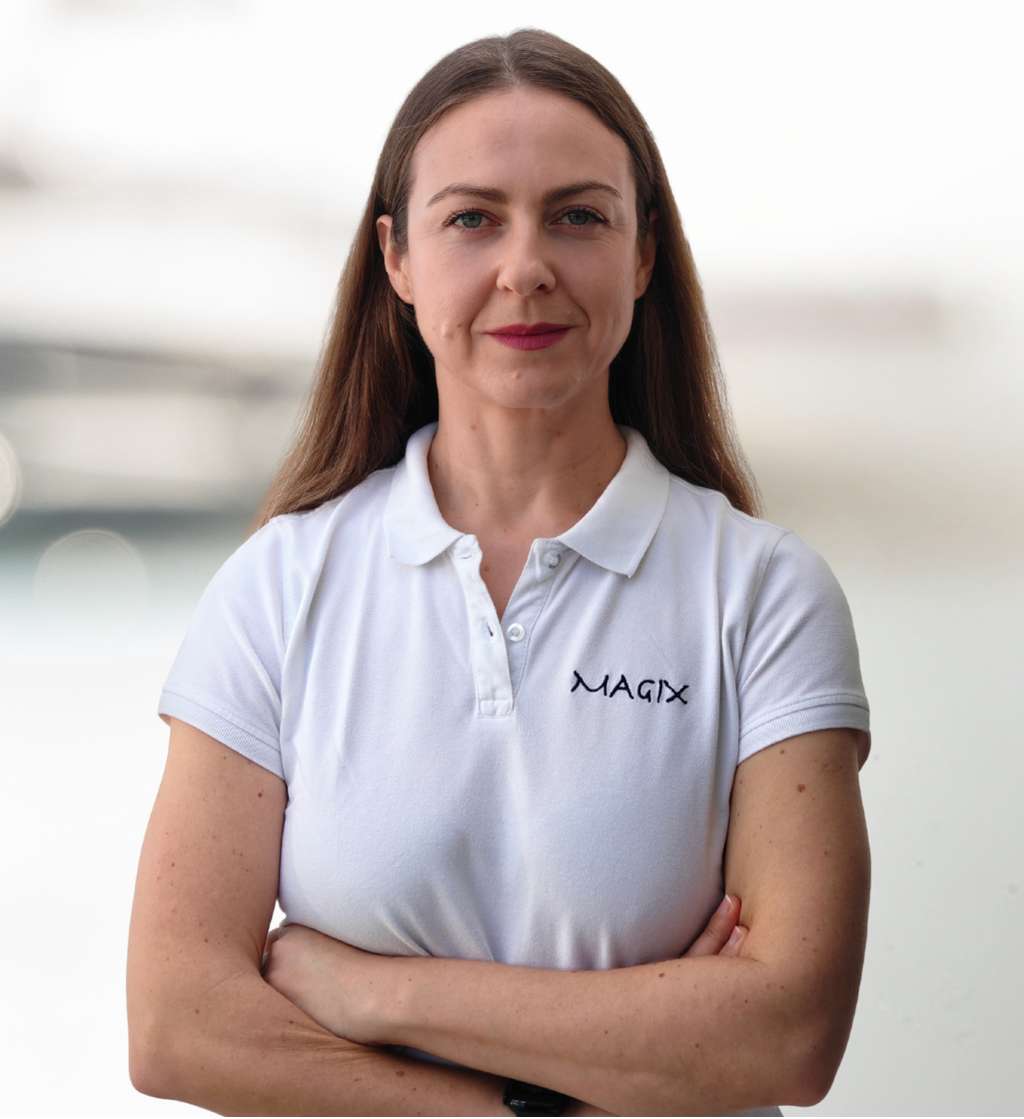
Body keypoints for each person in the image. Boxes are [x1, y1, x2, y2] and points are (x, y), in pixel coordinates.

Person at [127, 27, 872, 1118]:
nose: (526, 267)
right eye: (473, 218)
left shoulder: (764, 597)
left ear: (644, 254)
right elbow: (177, 1026)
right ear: (397, 259)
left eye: (578, 216)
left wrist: (375, 993)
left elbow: (788, 1037)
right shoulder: (277, 587)